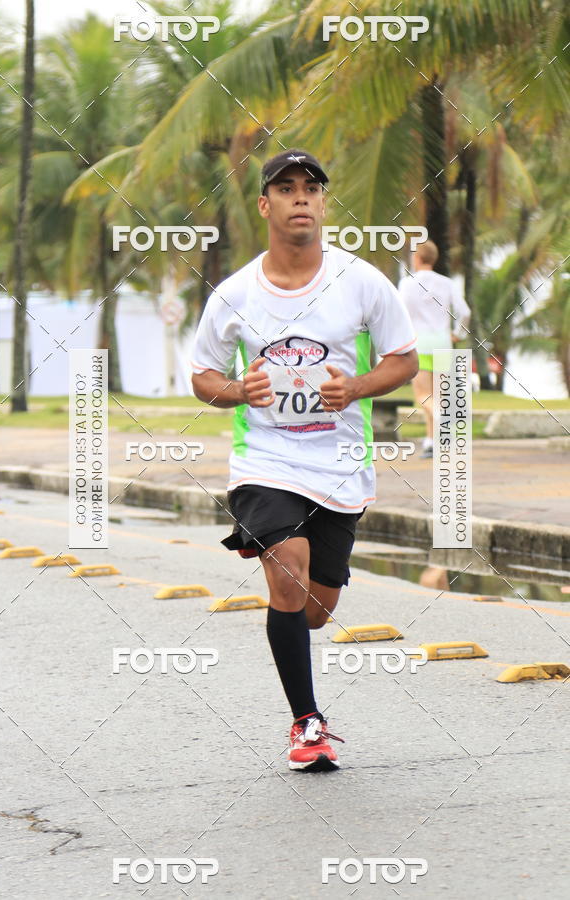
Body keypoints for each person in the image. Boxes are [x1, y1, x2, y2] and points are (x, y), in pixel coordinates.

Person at [191, 149, 418, 771]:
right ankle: (307, 723)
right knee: (285, 569)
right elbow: (203, 377)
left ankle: (304, 620)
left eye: (310, 188)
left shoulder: (363, 281)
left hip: (341, 464)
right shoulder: (235, 292)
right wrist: (241, 390)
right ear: (265, 205)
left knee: (315, 612)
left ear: (322, 204)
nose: (299, 197)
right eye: (285, 188)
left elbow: (404, 360)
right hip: (264, 460)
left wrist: (359, 387)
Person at [398, 241, 471, 457]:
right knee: (437, 396)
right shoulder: (447, 283)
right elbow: (464, 312)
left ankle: (439, 422)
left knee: (422, 395)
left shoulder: (406, 284)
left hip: (418, 344)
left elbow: (399, 315)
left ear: (416, 258)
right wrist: (458, 333)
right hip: (442, 344)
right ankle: (431, 441)